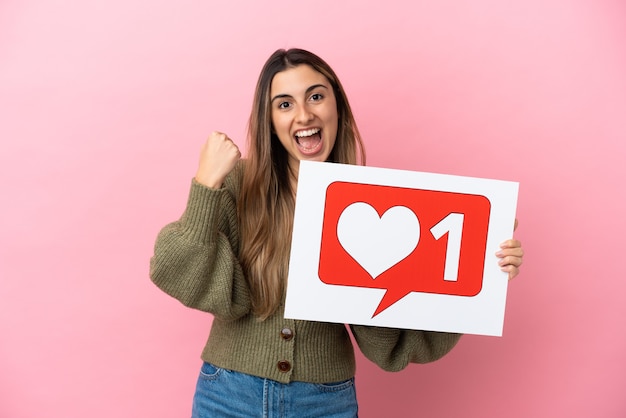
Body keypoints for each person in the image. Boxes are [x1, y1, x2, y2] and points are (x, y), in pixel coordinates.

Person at [149, 48, 524, 418]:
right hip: (228, 393)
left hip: (325, 402)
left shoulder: (371, 206)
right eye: (284, 104)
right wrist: (206, 182)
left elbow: (391, 345)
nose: (304, 114)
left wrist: (483, 272)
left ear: (336, 106)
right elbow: (175, 270)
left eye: (315, 96)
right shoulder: (238, 183)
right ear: (270, 122)